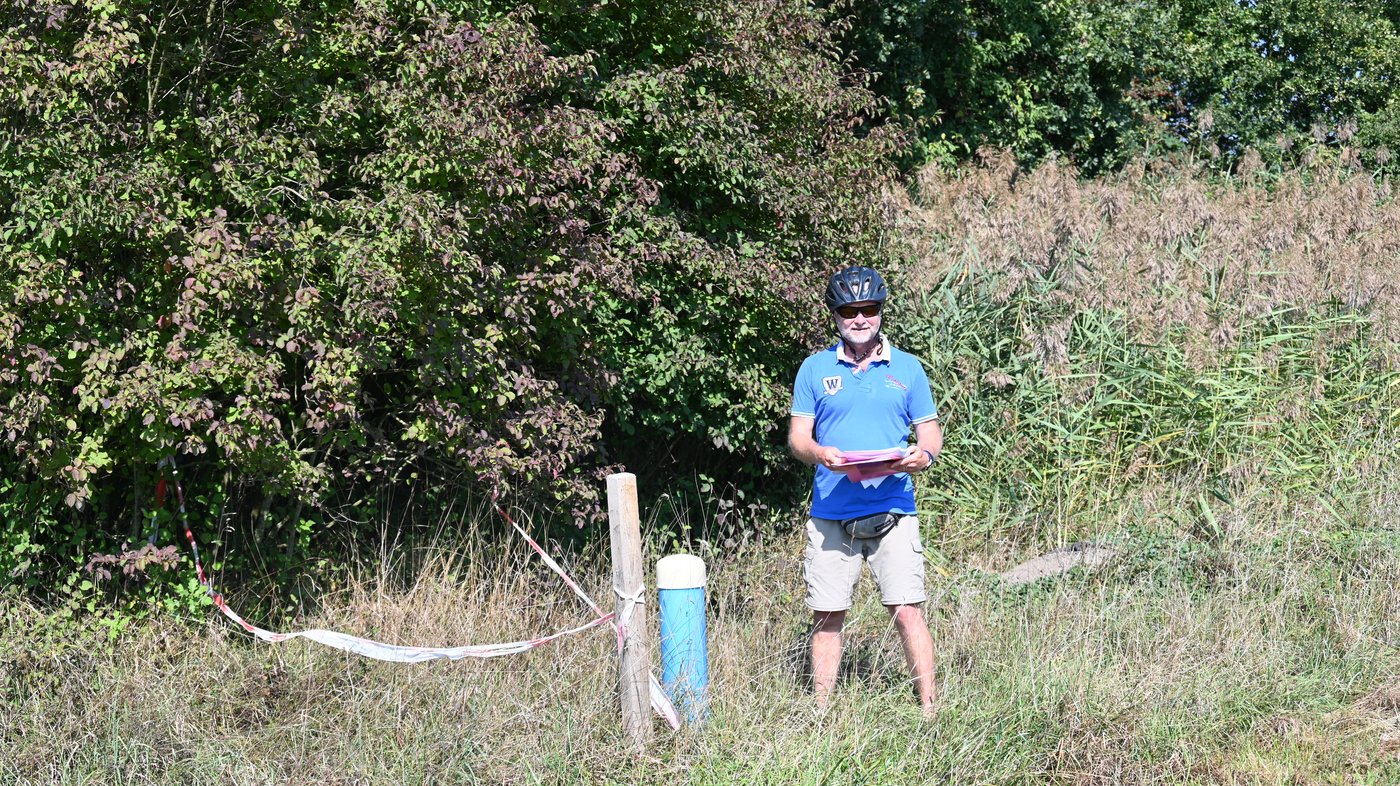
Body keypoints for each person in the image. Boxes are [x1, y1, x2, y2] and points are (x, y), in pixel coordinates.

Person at [787, 265, 943, 716]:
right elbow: (798, 439)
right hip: (832, 510)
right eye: (850, 310)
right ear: (835, 314)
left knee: (907, 609)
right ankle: (820, 714)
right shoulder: (814, 369)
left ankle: (930, 710)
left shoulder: (908, 368)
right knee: (828, 615)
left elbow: (930, 434)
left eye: (869, 309)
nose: (860, 319)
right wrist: (820, 453)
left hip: (894, 507)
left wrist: (923, 457)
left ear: (881, 312)